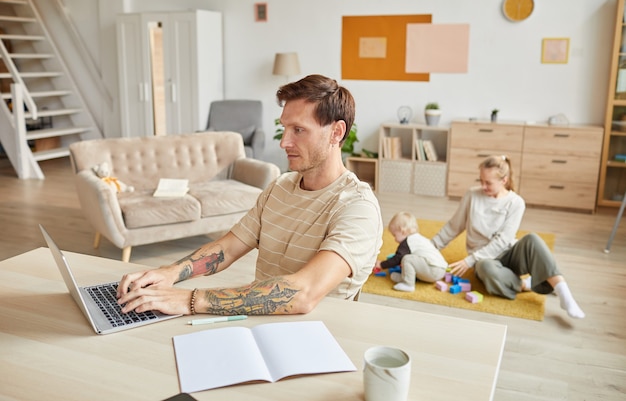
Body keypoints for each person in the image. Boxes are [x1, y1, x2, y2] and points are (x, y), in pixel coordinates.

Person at [116, 74, 382, 316]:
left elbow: (303, 294)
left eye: (298, 130)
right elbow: (228, 248)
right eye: (284, 128)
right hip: (257, 323)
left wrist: (189, 300)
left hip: (317, 337)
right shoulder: (280, 187)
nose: (284, 142)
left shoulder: (358, 207)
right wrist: (169, 273)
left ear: (336, 132)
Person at [431, 155, 585, 319]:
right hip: (484, 260)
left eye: (488, 182)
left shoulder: (516, 202)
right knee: (485, 267)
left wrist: (468, 261)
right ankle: (525, 284)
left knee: (533, 239)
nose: (483, 186)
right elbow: (454, 226)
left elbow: (503, 241)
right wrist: (428, 247)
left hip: (509, 254)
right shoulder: (472, 195)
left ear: (504, 180)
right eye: (481, 180)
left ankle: (564, 294)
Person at [375, 212, 447, 292]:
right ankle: (407, 277)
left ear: (403, 231)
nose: (394, 239)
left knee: (407, 259)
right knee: (411, 260)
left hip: (433, 270)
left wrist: (381, 264)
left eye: (394, 235)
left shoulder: (407, 242)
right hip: (440, 271)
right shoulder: (418, 239)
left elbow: (398, 258)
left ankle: (408, 284)